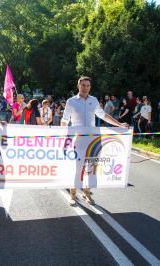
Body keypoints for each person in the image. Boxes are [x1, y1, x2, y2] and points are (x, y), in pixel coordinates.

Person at [61, 76, 129, 206]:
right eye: (83, 85)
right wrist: (62, 134)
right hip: (78, 140)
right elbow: (65, 120)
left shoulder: (94, 100)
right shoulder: (71, 101)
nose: (85, 88)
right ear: (78, 86)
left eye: (88, 85)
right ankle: (73, 194)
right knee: (77, 168)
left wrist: (119, 124)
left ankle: (86, 193)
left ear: (90, 87)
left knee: (91, 168)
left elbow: (103, 115)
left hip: (94, 141)